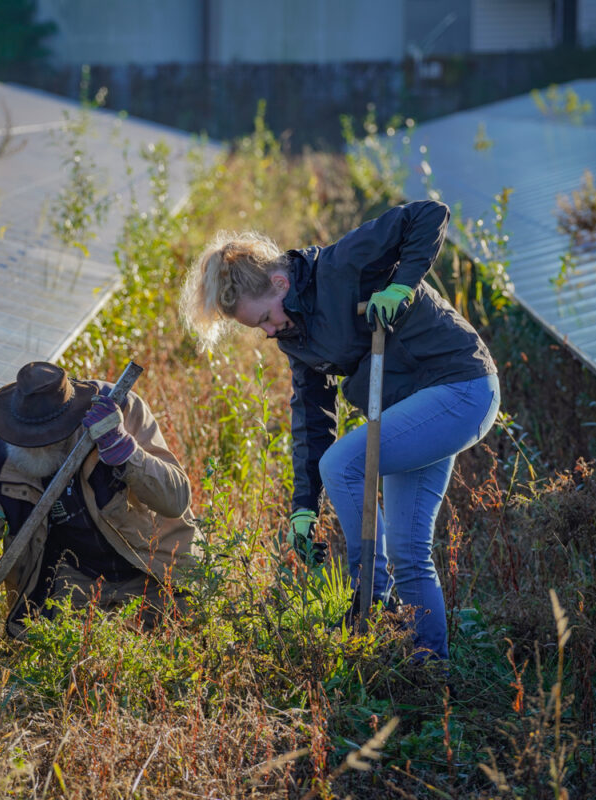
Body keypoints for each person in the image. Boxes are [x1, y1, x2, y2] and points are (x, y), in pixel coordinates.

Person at [180, 200, 499, 661]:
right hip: (419, 406)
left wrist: (401, 287)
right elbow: (312, 417)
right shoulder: (297, 337)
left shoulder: (341, 264)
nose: (269, 332)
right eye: (260, 329)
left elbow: (429, 213)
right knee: (410, 551)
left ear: (280, 282)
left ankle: (367, 591)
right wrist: (303, 508)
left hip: (461, 385)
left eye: (266, 317)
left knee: (342, 464)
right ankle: (431, 669)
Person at [0, 361, 199, 638]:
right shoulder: (0, 462)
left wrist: (127, 452)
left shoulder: (118, 410)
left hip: (150, 566)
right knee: (53, 659)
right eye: (29, 436)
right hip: (74, 577)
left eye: (48, 434)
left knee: (178, 645)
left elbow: (176, 500)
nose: (38, 443)